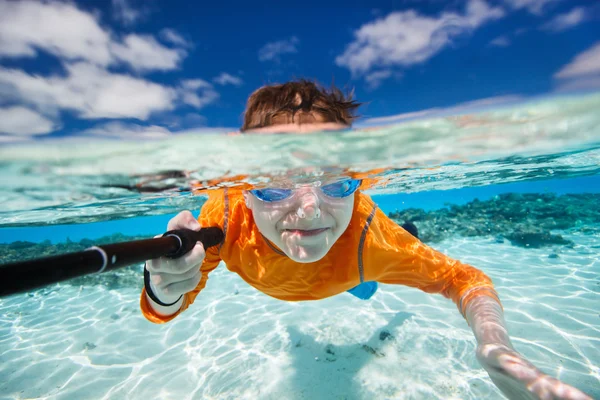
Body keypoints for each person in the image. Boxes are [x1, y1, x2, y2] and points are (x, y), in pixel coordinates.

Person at [140, 80, 591, 400]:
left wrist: (495, 346)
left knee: (368, 284)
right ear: (243, 187)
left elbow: (462, 278)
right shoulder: (224, 217)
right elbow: (171, 302)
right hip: (344, 265)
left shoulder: (370, 239)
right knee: (362, 277)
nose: (311, 207)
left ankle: (396, 242)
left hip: (355, 269)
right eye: (275, 184)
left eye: (336, 181)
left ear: (358, 178)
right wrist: (162, 288)